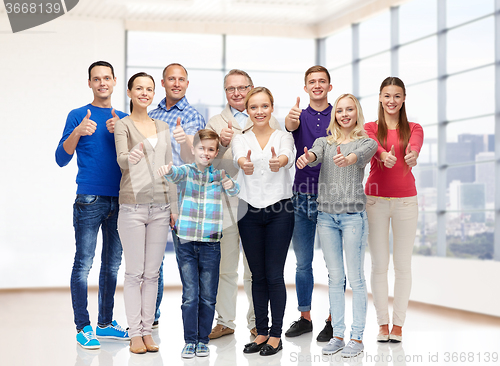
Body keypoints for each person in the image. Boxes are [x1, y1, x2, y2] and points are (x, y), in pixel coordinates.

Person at [55, 61, 129, 349]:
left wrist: (120, 132)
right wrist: (79, 132)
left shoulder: (123, 117)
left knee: (112, 266)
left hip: (121, 200)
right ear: (90, 83)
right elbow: (61, 159)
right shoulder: (77, 115)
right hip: (89, 199)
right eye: (96, 79)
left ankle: (106, 323)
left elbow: (137, 160)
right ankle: (83, 327)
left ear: (113, 82)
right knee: (83, 263)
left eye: (106, 78)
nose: (102, 83)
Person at [296, 93, 377, 358]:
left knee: (355, 277)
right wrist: (306, 159)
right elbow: (316, 155)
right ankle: (338, 334)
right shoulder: (324, 142)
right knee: (335, 278)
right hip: (326, 217)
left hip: (353, 216)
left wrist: (349, 158)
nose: (344, 114)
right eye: (340, 110)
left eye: (349, 110)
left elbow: (362, 154)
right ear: (335, 115)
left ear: (356, 113)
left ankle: (357, 337)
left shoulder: (365, 142)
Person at [205, 69, 281, 339]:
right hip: (225, 203)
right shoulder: (215, 122)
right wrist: (223, 145)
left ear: (251, 88)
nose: (236, 93)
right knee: (226, 266)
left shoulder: (265, 119)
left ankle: (257, 322)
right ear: (225, 92)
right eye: (230, 89)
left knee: (255, 267)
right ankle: (225, 321)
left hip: (256, 203)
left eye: (242, 87)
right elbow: (208, 163)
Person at [157, 129, 239, 359]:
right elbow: (173, 175)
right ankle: (189, 340)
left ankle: (203, 340)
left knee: (208, 295)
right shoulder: (186, 171)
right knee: (191, 294)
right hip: (186, 242)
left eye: (211, 149)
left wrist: (225, 179)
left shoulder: (219, 174)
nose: (206, 152)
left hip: (211, 243)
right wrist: (167, 169)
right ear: (193, 150)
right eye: (201, 148)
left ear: (215, 153)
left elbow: (236, 189)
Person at [114, 72, 178, 354]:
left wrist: (174, 207)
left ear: (154, 94)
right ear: (129, 92)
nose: (144, 93)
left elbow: (170, 168)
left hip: (161, 208)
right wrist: (133, 155)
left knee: (152, 274)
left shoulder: (162, 125)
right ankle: (134, 334)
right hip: (132, 207)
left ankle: (147, 330)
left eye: (149, 89)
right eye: (138, 88)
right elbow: (121, 161)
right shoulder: (123, 126)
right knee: (134, 273)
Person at [232, 87, 295, 356]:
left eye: (264, 106)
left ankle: (276, 335)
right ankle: (260, 332)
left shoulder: (283, 137)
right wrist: (243, 165)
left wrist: (278, 162)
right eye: (254, 107)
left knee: (274, 275)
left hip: (280, 209)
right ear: (247, 110)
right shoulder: (240, 138)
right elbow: (239, 160)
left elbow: (287, 157)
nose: (259, 111)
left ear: (272, 108)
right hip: (249, 211)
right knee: (256, 276)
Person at [364, 77, 424, 343]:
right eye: (387, 96)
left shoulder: (414, 127)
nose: (391, 101)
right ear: (380, 97)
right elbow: (371, 146)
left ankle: (398, 325)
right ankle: (382, 324)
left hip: (405, 202)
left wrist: (411, 155)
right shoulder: (368, 127)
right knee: (379, 265)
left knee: (402, 265)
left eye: (397, 96)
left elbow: (414, 147)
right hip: (375, 202)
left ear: (404, 99)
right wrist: (381, 154)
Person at [149, 63, 206, 328]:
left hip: (184, 197)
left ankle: (193, 320)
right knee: (154, 260)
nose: (176, 83)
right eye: (171, 79)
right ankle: (151, 316)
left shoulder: (193, 116)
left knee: (188, 260)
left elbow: (196, 158)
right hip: (154, 194)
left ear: (186, 84)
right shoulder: (151, 114)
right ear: (163, 83)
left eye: (181, 79)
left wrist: (185, 140)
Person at [284, 65, 334, 341]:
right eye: (311, 82)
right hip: (301, 197)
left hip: (330, 197)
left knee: (333, 265)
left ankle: (332, 319)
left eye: (321, 81)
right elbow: (290, 127)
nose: (316, 85)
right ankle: (305, 318)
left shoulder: (339, 114)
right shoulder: (299, 115)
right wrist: (291, 119)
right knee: (303, 263)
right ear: (305, 88)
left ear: (329, 86)